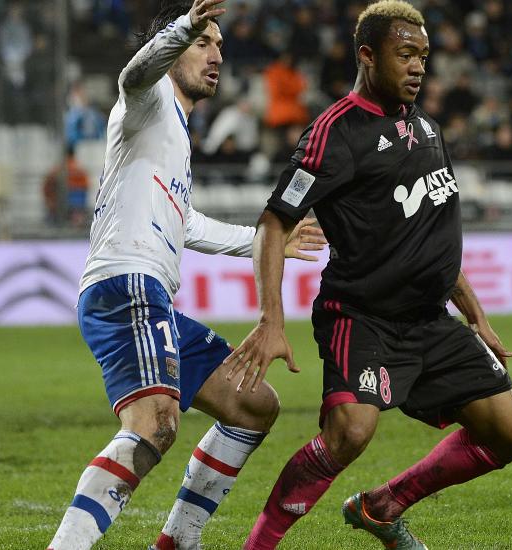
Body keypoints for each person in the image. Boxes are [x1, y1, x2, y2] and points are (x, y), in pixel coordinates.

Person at [225, 2, 512, 548]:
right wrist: (271, 320)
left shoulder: (427, 129)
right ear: (367, 56)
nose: (418, 67)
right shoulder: (335, 133)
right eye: (405, 55)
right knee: (350, 433)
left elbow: (431, 235)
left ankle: (383, 506)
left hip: (430, 321)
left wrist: (476, 314)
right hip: (362, 318)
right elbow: (273, 224)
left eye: (423, 56)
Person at [47, 2, 326, 549]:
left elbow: (186, 222)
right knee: (155, 424)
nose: (216, 54)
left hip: (154, 299)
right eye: (204, 43)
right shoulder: (147, 101)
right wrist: (179, 30)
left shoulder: (174, 131)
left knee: (253, 404)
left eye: (219, 45)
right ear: (173, 49)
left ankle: (178, 541)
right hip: (127, 283)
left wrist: (265, 242)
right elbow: (132, 74)